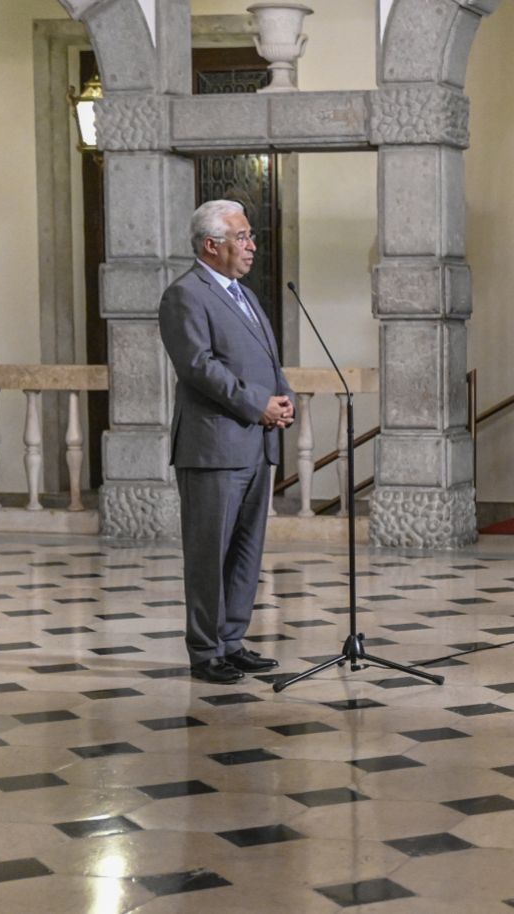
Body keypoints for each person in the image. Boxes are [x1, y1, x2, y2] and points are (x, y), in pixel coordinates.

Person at [158, 199, 293, 685]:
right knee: (209, 553)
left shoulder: (244, 295)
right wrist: (258, 403)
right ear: (211, 245)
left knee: (245, 552)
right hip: (213, 449)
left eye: (250, 235)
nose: (252, 245)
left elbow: (269, 362)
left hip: (255, 445)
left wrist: (284, 400)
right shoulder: (185, 296)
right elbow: (198, 367)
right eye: (242, 237)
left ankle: (232, 641)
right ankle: (205, 649)